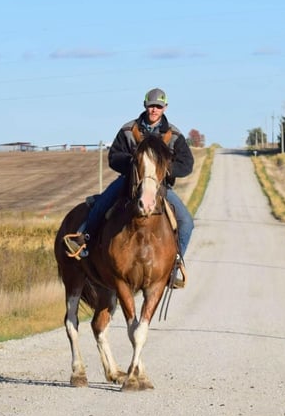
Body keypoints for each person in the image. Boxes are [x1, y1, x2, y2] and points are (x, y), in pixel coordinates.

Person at [64, 87, 194, 288]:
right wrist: (134, 164)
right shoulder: (128, 130)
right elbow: (114, 156)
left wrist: (165, 170)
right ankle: (85, 239)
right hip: (129, 181)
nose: (154, 110)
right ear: (145, 105)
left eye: (158, 107)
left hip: (160, 186)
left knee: (186, 221)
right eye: (151, 106)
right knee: (102, 202)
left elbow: (187, 163)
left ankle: (174, 264)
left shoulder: (173, 134)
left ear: (165, 108)